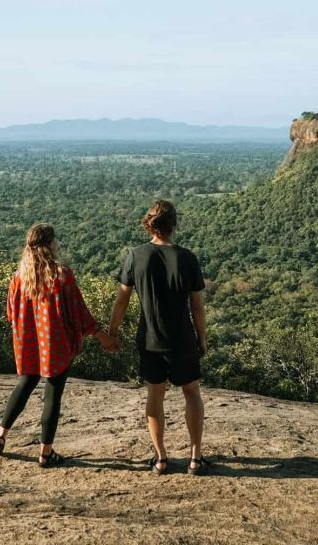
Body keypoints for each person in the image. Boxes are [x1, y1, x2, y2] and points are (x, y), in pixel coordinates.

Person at [0, 223, 119, 466]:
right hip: (56, 344)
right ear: (49, 244)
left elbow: (10, 312)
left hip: (28, 342)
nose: (58, 243)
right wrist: (104, 337)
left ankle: (0, 437)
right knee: (53, 393)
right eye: (55, 240)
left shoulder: (19, 277)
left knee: (26, 383)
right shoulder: (62, 275)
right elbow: (80, 314)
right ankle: (45, 453)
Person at [109, 200, 209, 475]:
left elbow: (121, 300)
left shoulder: (136, 256)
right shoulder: (187, 258)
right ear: (174, 225)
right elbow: (197, 307)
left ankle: (161, 457)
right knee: (191, 393)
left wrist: (112, 333)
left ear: (150, 225)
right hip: (182, 339)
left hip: (150, 339)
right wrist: (202, 338)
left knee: (155, 395)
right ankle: (195, 457)